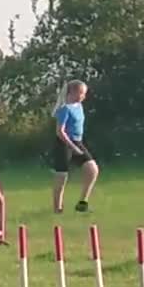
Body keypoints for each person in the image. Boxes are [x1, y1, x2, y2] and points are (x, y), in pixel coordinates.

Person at [51, 79, 99, 213]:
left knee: (92, 169)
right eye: (81, 93)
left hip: (78, 142)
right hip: (63, 144)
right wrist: (72, 147)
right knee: (61, 177)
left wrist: (77, 146)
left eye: (84, 94)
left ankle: (82, 203)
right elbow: (60, 132)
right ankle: (57, 209)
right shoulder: (64, 109)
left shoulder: (79, 106)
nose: (83, 96)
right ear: (72, 92)